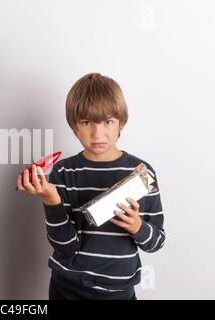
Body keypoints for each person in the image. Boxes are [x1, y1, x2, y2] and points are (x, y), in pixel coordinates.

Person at [17, 73, 165, 300]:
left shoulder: (143, 173)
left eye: (108, 121)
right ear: (74, 126)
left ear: (121, 122)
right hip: (68, 289)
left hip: (120, 292)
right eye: (86, 122)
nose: (98, 133)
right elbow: (65, 247)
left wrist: (137, 226)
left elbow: (156, 242)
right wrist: (51, 199)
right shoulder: (64, 172)